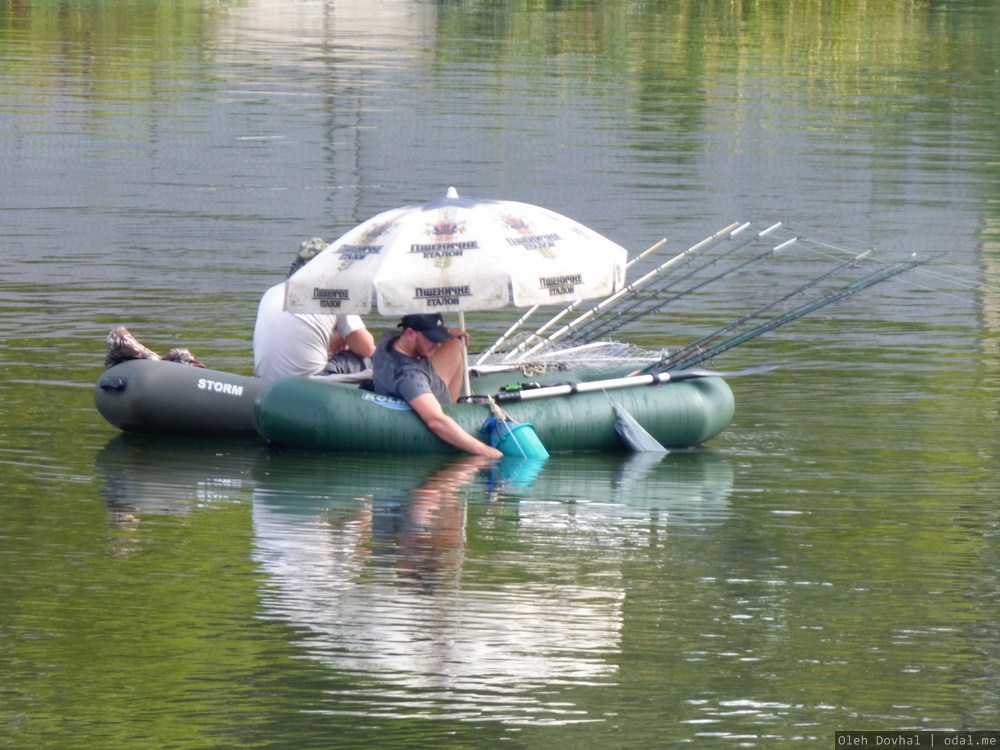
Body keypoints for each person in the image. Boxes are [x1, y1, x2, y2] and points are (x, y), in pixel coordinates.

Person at [372, 313, 503, 458]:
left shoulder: (390, 338)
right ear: (409, 333)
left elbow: (427, 339)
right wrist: (486, 451)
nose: (438, 344)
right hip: (439, 405)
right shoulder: (409, 376)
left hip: (431, 382)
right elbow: (436, 422)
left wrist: (446, 333)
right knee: (454, 344)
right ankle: (455, 408)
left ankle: (455, 404)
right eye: (432, 339)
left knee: (455, 342)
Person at [253, 238, 376, 380]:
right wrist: (347, 336)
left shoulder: (271, 292)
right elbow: (367, 348)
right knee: (370, 360)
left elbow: (301, 331)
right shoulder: (333, 295)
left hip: (262, 384)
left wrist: (343, 335)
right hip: (310, 387)